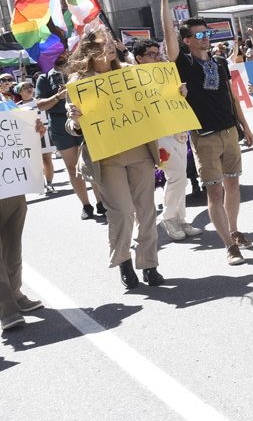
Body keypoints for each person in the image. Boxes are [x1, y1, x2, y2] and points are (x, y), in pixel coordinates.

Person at [66, 30, 176, 288]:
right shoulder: (78, 80)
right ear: (90, 50)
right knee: (122, 213)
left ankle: (149, 264)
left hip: (139, 150)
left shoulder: (129, 72)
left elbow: (155, 99)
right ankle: (124, 260)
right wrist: (76, 120)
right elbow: (72, 127)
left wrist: (176, 93)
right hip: (106, 155)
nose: (110, 48)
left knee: (146, 210)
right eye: (102, 44)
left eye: (111, 43)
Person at [161, 0, 253, 266]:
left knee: (234, 186)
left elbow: (231, 97)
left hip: (230, 132)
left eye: (207, 33)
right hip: (204, 137)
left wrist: (246, 127)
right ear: (187, 40)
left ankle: (234, 229)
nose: (205, 38)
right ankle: (229, 245)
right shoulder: (184, 63)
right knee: (214, 192)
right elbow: (167, 33)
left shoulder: (220, 62)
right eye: (198, 34)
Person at [128, 39, 201, 241]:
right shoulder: (131, 81)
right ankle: (168, 217)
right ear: (139, 59)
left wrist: (181, 94)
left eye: (157, 53)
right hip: (157, 135)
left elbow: (174, 101)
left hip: (177, 131)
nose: (157, 57)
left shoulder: (166, 75)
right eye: (152, 54)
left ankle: (181, 219)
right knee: (178, 176)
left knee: (179, 177)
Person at [35, 54, 103, 220]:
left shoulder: (79, 74)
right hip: (58, 125)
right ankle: (86, 205)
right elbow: (40, 104)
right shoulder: (44, 78)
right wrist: (58, 96)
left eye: (64, 53)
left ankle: (102, 202)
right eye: (56, 54)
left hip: (82, 121)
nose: (61, 57)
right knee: (72, 166)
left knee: (92, 162)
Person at [0, 107, 45, 329]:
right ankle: (6, 308)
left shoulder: (5, 104)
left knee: (12, 243)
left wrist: (35, 131)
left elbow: (23, 130)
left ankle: (15, 293)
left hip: (10, 187)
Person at [14, 81, 54, 194]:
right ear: (19, 92)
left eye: (30, 86)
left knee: (47, 159)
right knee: (35, 161)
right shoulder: (17, 107)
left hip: (45, 133)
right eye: (24, 87)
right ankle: (40, 184)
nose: (29, 89)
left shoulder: (41, 101)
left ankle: (50, 184)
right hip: (29, 136)